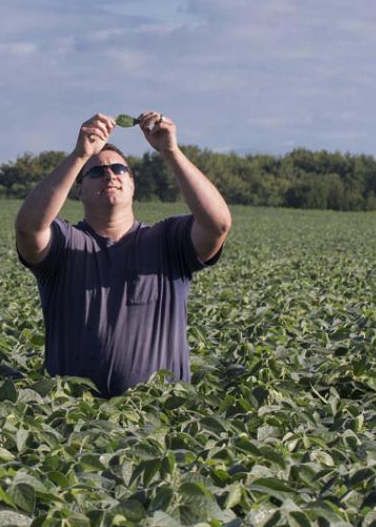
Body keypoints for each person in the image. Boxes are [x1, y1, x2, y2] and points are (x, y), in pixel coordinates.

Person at [14, 111, 231, 397]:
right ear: (78, 190)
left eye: (120, 170)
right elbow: (28, 228)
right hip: (73, 421)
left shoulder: (166, 241)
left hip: (163, 419)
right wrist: (80, 155)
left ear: (132, 185)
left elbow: (218, 224)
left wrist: (171, 152)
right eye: (96, 171)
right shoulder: (64, 245)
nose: (109, 174)